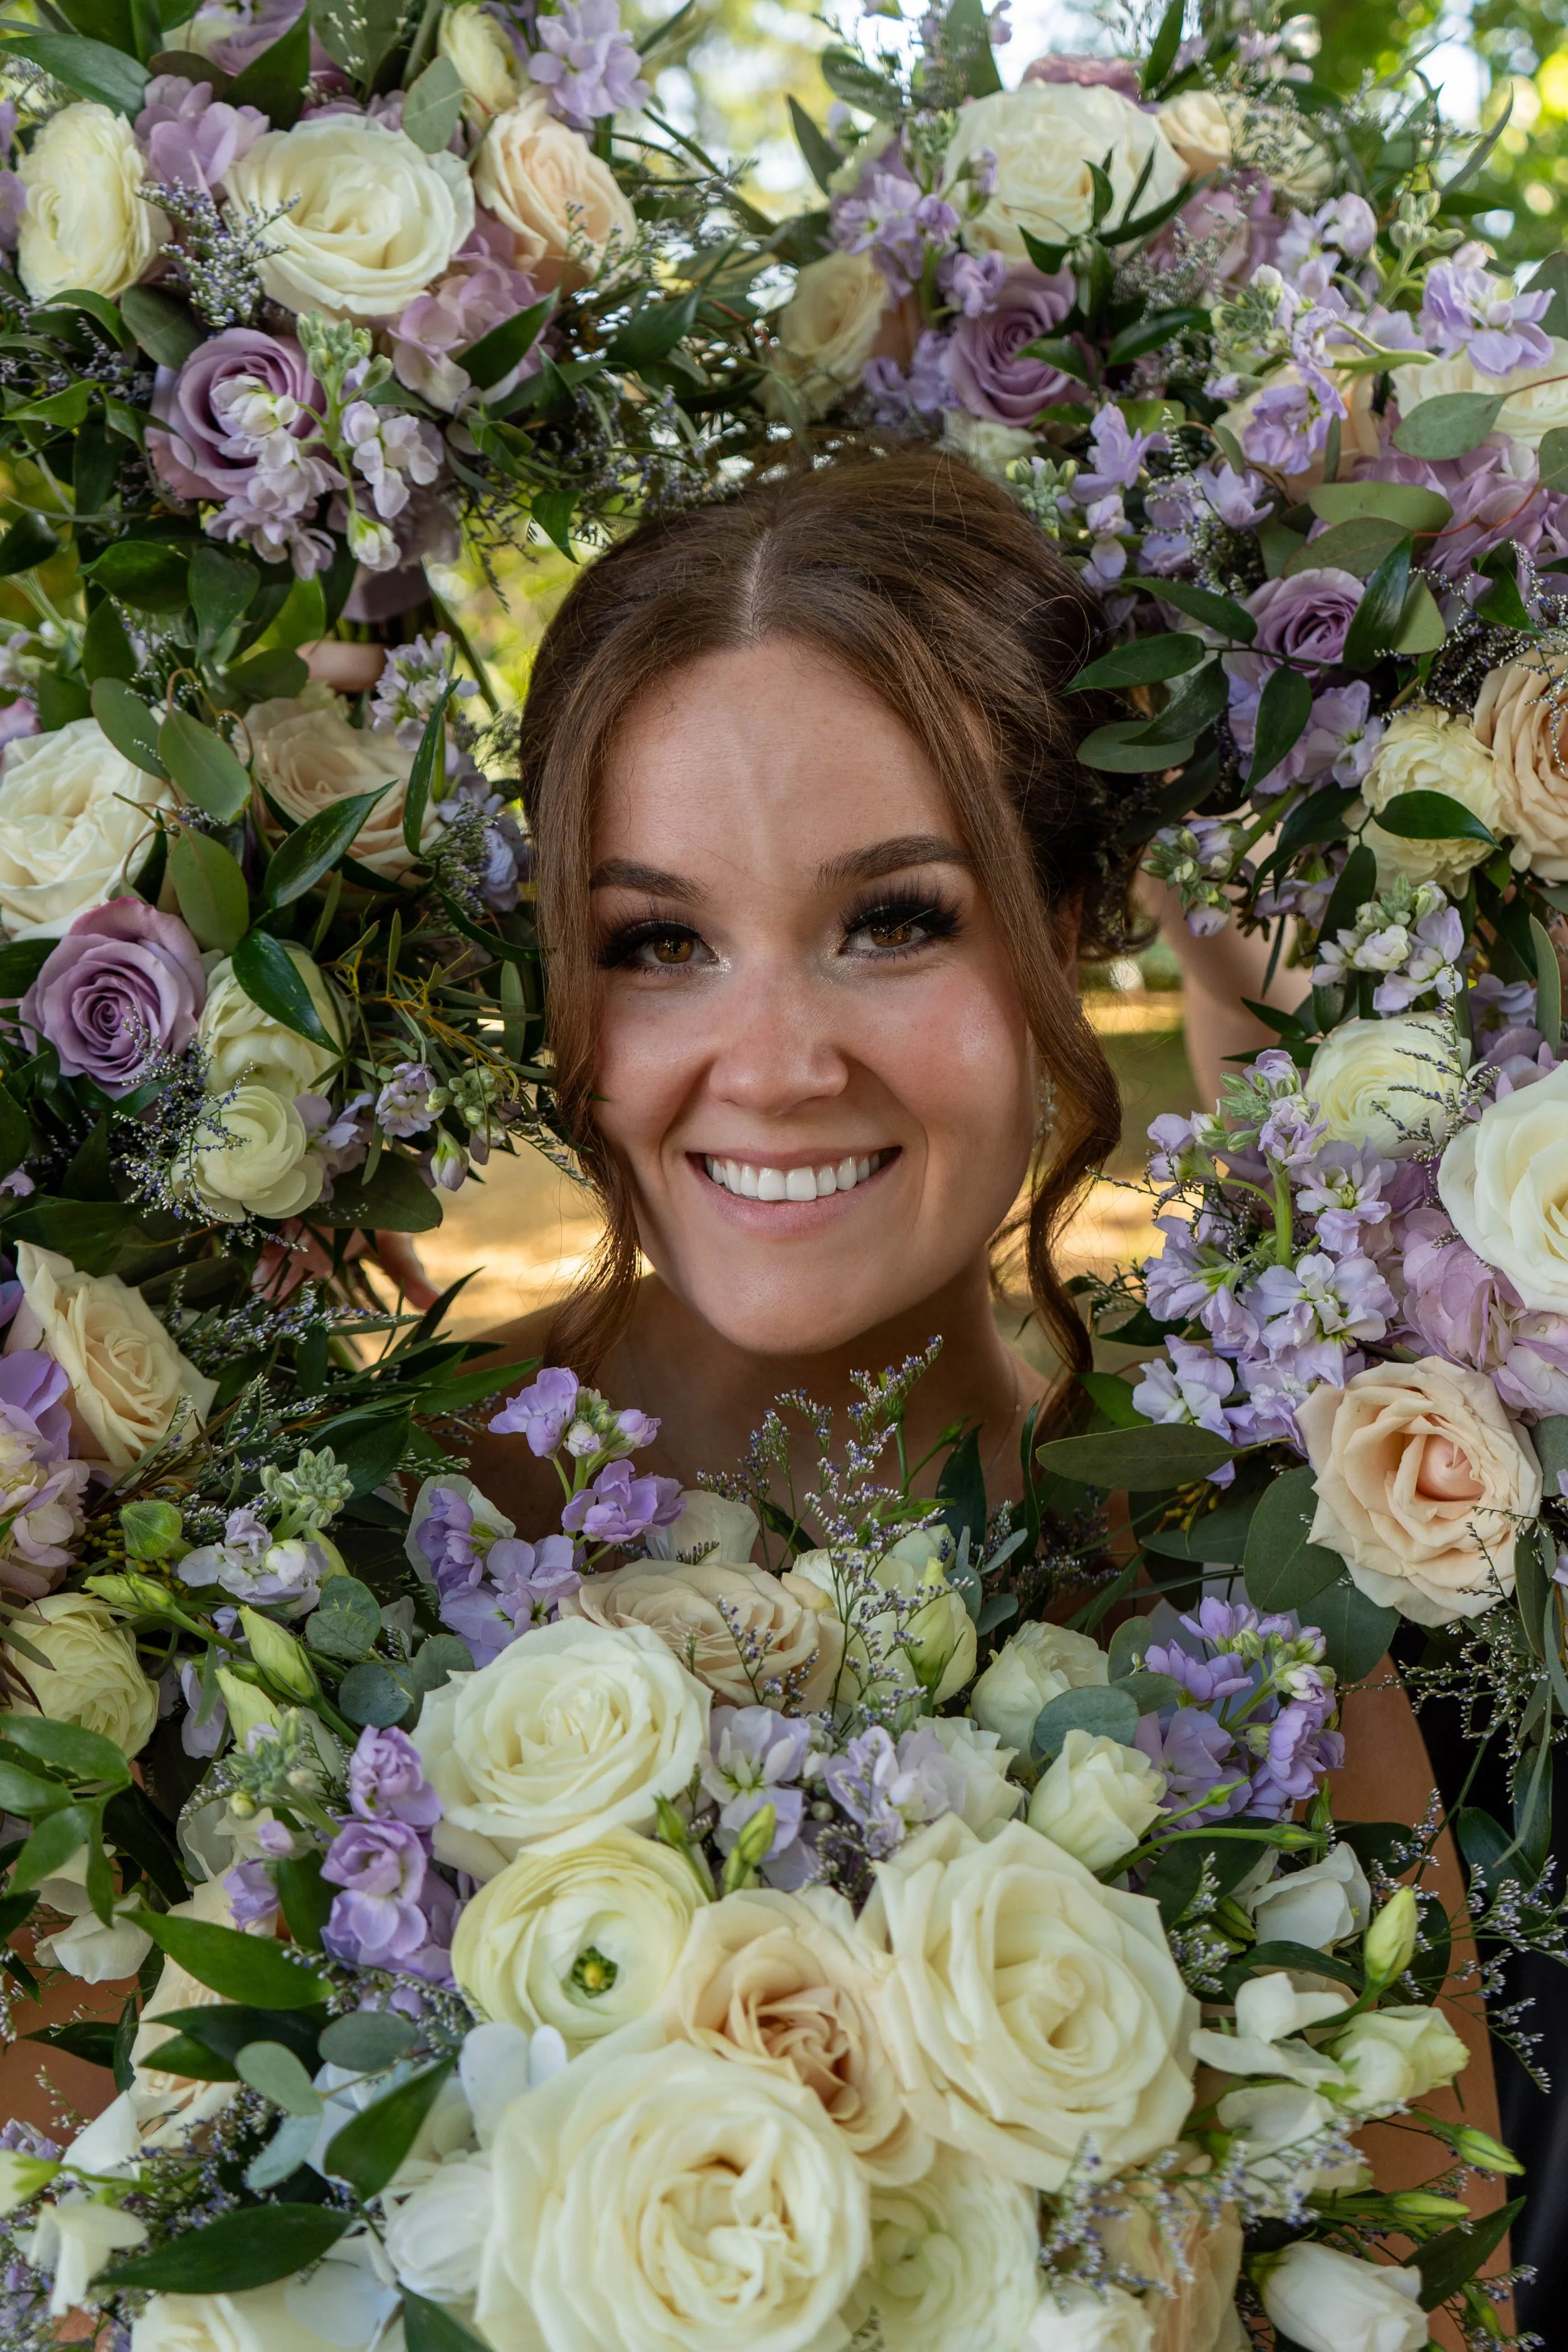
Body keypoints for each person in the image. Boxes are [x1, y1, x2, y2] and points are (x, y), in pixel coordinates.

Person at [463, 453, 1505, 2277]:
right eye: (659, 942)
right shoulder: (328, 1547)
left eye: (894, 919)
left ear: (1072, 921)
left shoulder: (1254, 1612)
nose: (774, 1056)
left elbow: (1435, 2293)